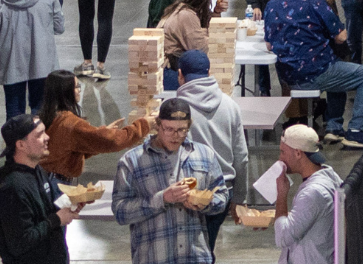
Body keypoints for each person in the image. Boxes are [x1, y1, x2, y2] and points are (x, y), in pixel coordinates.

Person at [269, 0, 363, 149]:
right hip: (315, 72)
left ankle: (334, 127)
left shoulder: (272, 5)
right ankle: (356, 131)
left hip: (288, 78)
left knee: (338, 69)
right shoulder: (315, 1)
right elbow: (341, 36)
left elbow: (268, 44)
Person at [112, 98, 228, 264]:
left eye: (182, 130)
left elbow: (222, 197)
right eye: (169, 129)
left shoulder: (205, 155)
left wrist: (204, 202)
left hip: (194, 258)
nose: (175, 136)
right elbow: (120, 212)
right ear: (158, 125)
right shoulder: (132, 161)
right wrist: (162, 199)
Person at [174, 51, 247, 251]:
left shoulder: (176, 110)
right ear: (208, 73)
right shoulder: (231, 106)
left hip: (186, 194)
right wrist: (239, 198)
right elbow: (241, 156)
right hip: (222, 192)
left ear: (180, 75)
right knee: (206, 248)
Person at [38, 69, 151, 183]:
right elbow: (112, 141)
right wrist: (144, 125)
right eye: (77, 87)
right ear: (66, 91)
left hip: (44, 179)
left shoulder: (47, 116)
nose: (79, 91)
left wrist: (101, 133)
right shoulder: (70, 123)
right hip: (57, 183)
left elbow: (77, 146)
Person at [0, 114, 77, 264]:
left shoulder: (37, 171)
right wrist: (56, 219)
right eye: (39, 135)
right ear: (21, 145)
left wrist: (72, 203)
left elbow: (46, 209)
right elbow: (20, 243)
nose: (47, 137)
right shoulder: (13, 189)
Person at [274, 124, 342, 264]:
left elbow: (282, 237)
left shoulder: (313, 193)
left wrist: (281, 195)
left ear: (298, 153)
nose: (280, 158)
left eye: (283, 152)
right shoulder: (331, 176)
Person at [159, 0, 213, 89]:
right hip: (171, 70)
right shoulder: (187, 15)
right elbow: (199, 49)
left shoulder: (176, 9)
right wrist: (208, 35)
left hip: (165, 66)